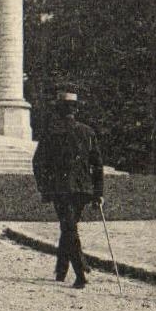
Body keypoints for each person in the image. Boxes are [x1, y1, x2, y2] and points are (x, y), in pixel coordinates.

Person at [32, 88, 104, 289]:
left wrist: (43, 186)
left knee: (68, 227)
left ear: (58, 110)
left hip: (60, 188)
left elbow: (37, 162)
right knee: (69, 226)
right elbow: (97, 164)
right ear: (76, 110)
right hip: (83, 189)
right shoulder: (88, 132)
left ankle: (80, 271)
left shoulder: (50, 132)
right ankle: (61, 269)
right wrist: (98, 193)